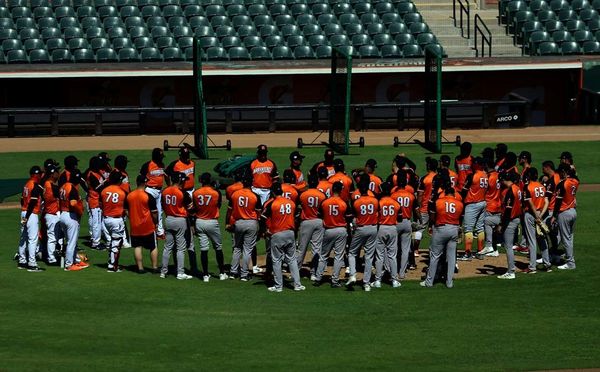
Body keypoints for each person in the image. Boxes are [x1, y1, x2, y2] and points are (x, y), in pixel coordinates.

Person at [261, 182, 305, 292]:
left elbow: (262, 218)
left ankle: (278, 286)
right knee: (292, 259)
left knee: (276, 260)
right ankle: (297, 285)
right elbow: (297, 215)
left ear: (273, 192)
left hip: (277, 234)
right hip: (290, 233)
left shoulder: (272, 204)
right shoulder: (291, 203)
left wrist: (265, 230)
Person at [420, 187, 464, 288]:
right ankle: (449, 283)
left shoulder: (439, 201)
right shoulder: (460, 204)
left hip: (440, 229)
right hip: (454, 229)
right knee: (452, 257)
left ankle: (429, 282)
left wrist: (431, 226)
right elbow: (461, 219)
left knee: (435, 256)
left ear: (445, 193)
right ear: (453, 194)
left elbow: (432, 217)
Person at [192, 172, 228, 282]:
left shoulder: (196, 193)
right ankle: (222, 273)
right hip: (212, 222)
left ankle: (205, 275)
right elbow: (219, 205)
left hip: (199, 222)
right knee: (218, 247)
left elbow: (194, 208)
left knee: (204, 249)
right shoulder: (216, 193)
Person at [314, 181, 350, 287]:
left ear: (332, 190)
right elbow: (349, 217)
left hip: (328, 230)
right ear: (340, 190)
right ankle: (335, 281)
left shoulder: (325, 202)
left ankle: (318, 278)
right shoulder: (344, 203)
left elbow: (319, 214)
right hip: (341, 230)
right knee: (339, 256)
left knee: (323, 255)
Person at [227, 172, 262, 281]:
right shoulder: (255, 196)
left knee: (237, 248)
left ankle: (233, 272)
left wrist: (228, 223)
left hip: (238, 223)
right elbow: (259, 214)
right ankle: (244, 274)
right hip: (251, 223)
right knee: (247, 249)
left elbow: (229, 211)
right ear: (251, 183)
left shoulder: (235, 194)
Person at [346, 176, 379, 291]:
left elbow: (354, 217)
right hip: (373, 228)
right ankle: (366, 283)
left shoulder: (356, 201)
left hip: (361, 228)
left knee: (352, 252)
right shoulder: (375, 200)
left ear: (359, 189)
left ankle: (352, 275)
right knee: (369, 256)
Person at [160, 172, 194, 280]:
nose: (185, 182)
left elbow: (163, 205)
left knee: (167, 247)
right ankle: (180, 272)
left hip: (168, 219)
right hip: (180, 220)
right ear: (180, 180)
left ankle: (163, 272)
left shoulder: (165, 191)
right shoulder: (182, 193)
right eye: (184, 180)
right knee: (180, 247)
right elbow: (191, 209)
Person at [127, 175, 159, 274]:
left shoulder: (130, 195)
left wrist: (132, 218)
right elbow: (154, 213)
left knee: (137, 246)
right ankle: (154, 267)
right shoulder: (148, 196)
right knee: (153, 246)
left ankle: (140, 268)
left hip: (135, 226)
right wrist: (156, 222)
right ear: (145, 183)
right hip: (148, 226)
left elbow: (126, 211)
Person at [458, 157, 488, 260]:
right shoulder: (485, 175)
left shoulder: (472, 176)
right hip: (483, 203)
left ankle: (468, 253)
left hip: (472, 204)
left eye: (474, 163)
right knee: (480, 228)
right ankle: (480, 252)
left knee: (468, 229)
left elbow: (464, 191)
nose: (472, 165)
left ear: (478, 165)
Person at [296, 174, 326, 280]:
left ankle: (296, 271)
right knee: (316, 248)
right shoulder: (322, 195)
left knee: (301, 248)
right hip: (318, 222)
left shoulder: (303, 194)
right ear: (317, 182)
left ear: (308, 182)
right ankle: (314, 273)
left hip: (306, 222)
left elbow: (298, 207)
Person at [551, 163, 579, 270]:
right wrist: (572, 170)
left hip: (564, 213)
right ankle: (570, 260)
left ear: (564, 172)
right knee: (570, 237)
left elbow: (558, 201)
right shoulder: (575, 182)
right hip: (573, 212)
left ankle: (570, 263)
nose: (559, 174)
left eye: (560, 172)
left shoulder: (562, 184)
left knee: (565, 238)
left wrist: (554, 215)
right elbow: (576, 176)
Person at [521, 168, 549, 273]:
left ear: (528, 176)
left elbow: (530, 203)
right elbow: (546, 201)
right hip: (541, 215)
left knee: (532, 241)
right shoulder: (542, 186)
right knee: (542, 239)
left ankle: (532, 267)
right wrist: (540, 215)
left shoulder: (528, 187)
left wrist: (536, 215)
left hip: (531, 215)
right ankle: (547, 264)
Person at [391, 170, 418, 279]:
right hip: (407, 222)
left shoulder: (393, 194)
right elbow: (416, 209)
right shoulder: (410, 194)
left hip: (396, 223)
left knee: (393, 248)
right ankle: (402, 273)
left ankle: (393, 271)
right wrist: (418, 220)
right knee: (405, 249)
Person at [59, 170, 89, 271]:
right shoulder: (72, 188)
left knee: (71, 241)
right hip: (70, 216)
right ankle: (69, 265)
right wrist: (80, 211)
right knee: (72, 242)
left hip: (63, 214)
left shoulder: (64, 186)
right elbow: (72, 203)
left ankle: (75, 260)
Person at [374, 182, 401, 288]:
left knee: (379, 256)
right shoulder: (396, 203)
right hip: (392, 228)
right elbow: (400, 218)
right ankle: (394, 280)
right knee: (392, 256)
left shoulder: (379, 202)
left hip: (381, 228)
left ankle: (377, 281)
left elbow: (376, 217)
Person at [17, 166, 44, 272]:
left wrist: (24, 215)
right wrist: (27, 216)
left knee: (23, 237)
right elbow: (32, 202)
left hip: (24, 212)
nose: (41, 176)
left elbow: (22, 200)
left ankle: (22, 261)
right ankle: (32, 264)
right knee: (32, 239)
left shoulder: (27, 184)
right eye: (40, 174)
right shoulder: (35, 186)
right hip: (31, 214)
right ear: (36, 175)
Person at [497, 172, 522, 280]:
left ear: (503, 180)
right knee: (509, 246)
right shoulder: (517, 188)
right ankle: (511, 270)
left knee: (508, 247)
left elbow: (507, 211)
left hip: (510, 220)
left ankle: (511, 271)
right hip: (516, 218)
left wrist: (502, 225)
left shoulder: (510, 191)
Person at [100, 171, 127, 273]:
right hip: (116, 220)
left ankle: (111, 263)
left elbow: (100, 204)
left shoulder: (104, 191)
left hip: (105, 220)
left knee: (111, 242)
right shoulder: (122, 192)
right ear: (119, 180)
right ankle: (112, 266)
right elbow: (125, 208)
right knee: (116, 244)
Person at [140, 148, 167, 239]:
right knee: (148, 212)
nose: (161, 159)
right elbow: (141, 178)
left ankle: (159, 232)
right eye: (160, 157)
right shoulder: (147, 165)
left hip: (159, 191)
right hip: (149, 190)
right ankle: (147, 231)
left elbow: (165, 176)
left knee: (159, 212)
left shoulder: (162, 165)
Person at [414, 157, 437, 262]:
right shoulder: (439, 177)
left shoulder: (424, 178)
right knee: (435, 230)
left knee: (419, 229)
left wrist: (418, 206)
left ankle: (415, 250)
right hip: (436, 208)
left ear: (428, 166)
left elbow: (420, 194)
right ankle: (434, 250)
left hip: (424, 207)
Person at [479, 157, 502, 258]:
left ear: (487, 166)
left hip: (489, 204)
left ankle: (489, 246)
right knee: (495, 229)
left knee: (486, 225)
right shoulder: (499, 176)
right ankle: (495, 249)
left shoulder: (489, 177)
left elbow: (485, 190)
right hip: (499, 204)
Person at [42, 164, 61, 265]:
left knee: (55, 237)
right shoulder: (51, 186)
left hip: (51, 213)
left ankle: (53, 256)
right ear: (53, 174)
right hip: (52, 214)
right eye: (57, 172)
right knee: (52, 238)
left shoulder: (46, 184)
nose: (58, 174)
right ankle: (51, 259)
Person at [85, 156, 105, 250]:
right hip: (94, 200)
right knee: (96, 223)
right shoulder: (91, 174)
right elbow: (98, 188)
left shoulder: (98, 172)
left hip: (96, 200)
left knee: (96, 222)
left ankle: (94, 239)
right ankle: (95, 243)